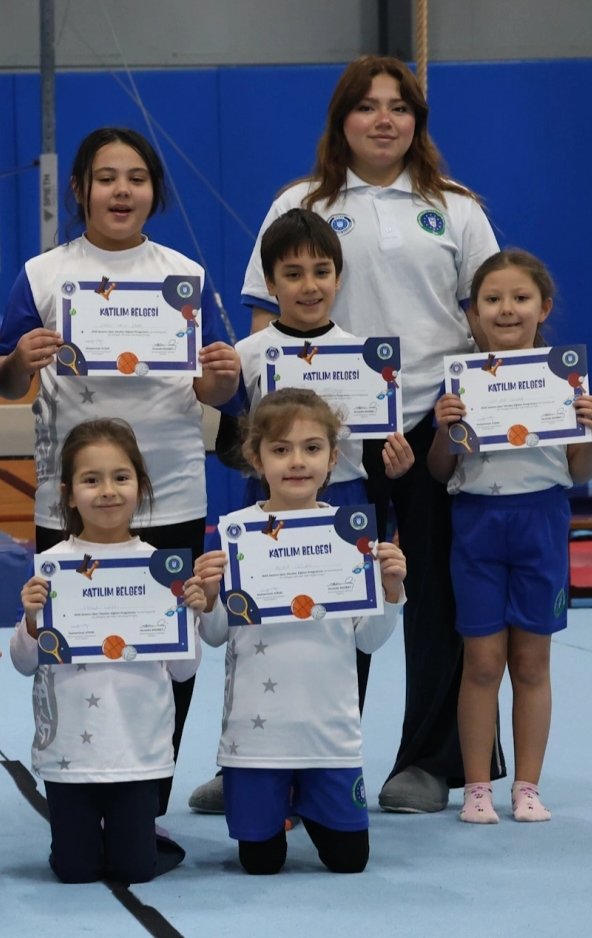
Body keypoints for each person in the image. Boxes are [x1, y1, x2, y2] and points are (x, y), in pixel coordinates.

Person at [239, 56, 502, 814]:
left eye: (399, 107)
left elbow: (492, 314)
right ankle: (281, 756)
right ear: (341, 120)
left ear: (417, 121)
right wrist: (276, 433)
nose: (383, 120)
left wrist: (493, 408)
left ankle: (428, 760)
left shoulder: (455, 207)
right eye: (367, 106)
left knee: (431, 593)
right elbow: (265, 320)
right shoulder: (300, 202)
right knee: (311, 593)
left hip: (430, 423)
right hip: (320, 435)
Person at [0, 127, 241, 815]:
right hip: (72, 503)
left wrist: (222, 378)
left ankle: (146, 802)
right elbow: (5, 382)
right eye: (106, 178)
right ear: (79, 190)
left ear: (154, 191)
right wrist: (18, 360)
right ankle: (75, 788)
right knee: (73, 647)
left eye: (136, 178)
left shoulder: (184, 275)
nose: (121, 191)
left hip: (169, 494)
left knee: (164, 649)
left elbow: (214, 392)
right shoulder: (42, 274)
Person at [193, 210, 418, 813]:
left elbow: (377, 454)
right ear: (270, 283)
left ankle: (331, 768)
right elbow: (229, 448)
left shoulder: (368, 358)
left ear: (339, 278)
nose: (309, 285)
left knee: (342, 641)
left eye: (321, 271)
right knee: (258, 635)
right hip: (267, 509)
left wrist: (395, 469)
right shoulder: (246, 354)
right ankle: (250, 766)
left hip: (346, 508)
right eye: (292, 274)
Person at [188, 389, 408, 874]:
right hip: (255, 739)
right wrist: (209, 597)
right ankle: (270, 803)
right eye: (280, 449)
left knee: (350, 861)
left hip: (329, 735)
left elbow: (368, 640)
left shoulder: (351, 536)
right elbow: (217, 634)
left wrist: (391, 590)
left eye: (312, 448)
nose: (297, 462)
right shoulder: (236, 533)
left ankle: (312, 801)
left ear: (333, 458)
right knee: (261, 864)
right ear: (256, 459)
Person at [427, 250, 592, 823]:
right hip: (477, 524)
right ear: (473, 312)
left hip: (541, 522)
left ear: (543, 308)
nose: (507, 309)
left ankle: (527, 787)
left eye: (520, 298)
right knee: (482, 663)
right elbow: (439, 472)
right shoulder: (460, 382)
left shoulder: (565, 380)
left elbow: (583, 470)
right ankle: (477, 788)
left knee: (531, 663)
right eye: (492, 299)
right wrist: (444, 430)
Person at [11, 419, 203, 885]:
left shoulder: (161, 569)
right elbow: (23, 662)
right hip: (70, 751)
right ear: (68, 494)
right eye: (91, 480)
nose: (108, 491)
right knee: (74, 871)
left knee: (135, 869)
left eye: (121, 477)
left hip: (137, 748)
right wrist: (32, 621)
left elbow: (183, 672)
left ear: (141, 485)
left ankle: (140, 839)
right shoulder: (53, 568)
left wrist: (189, 617)